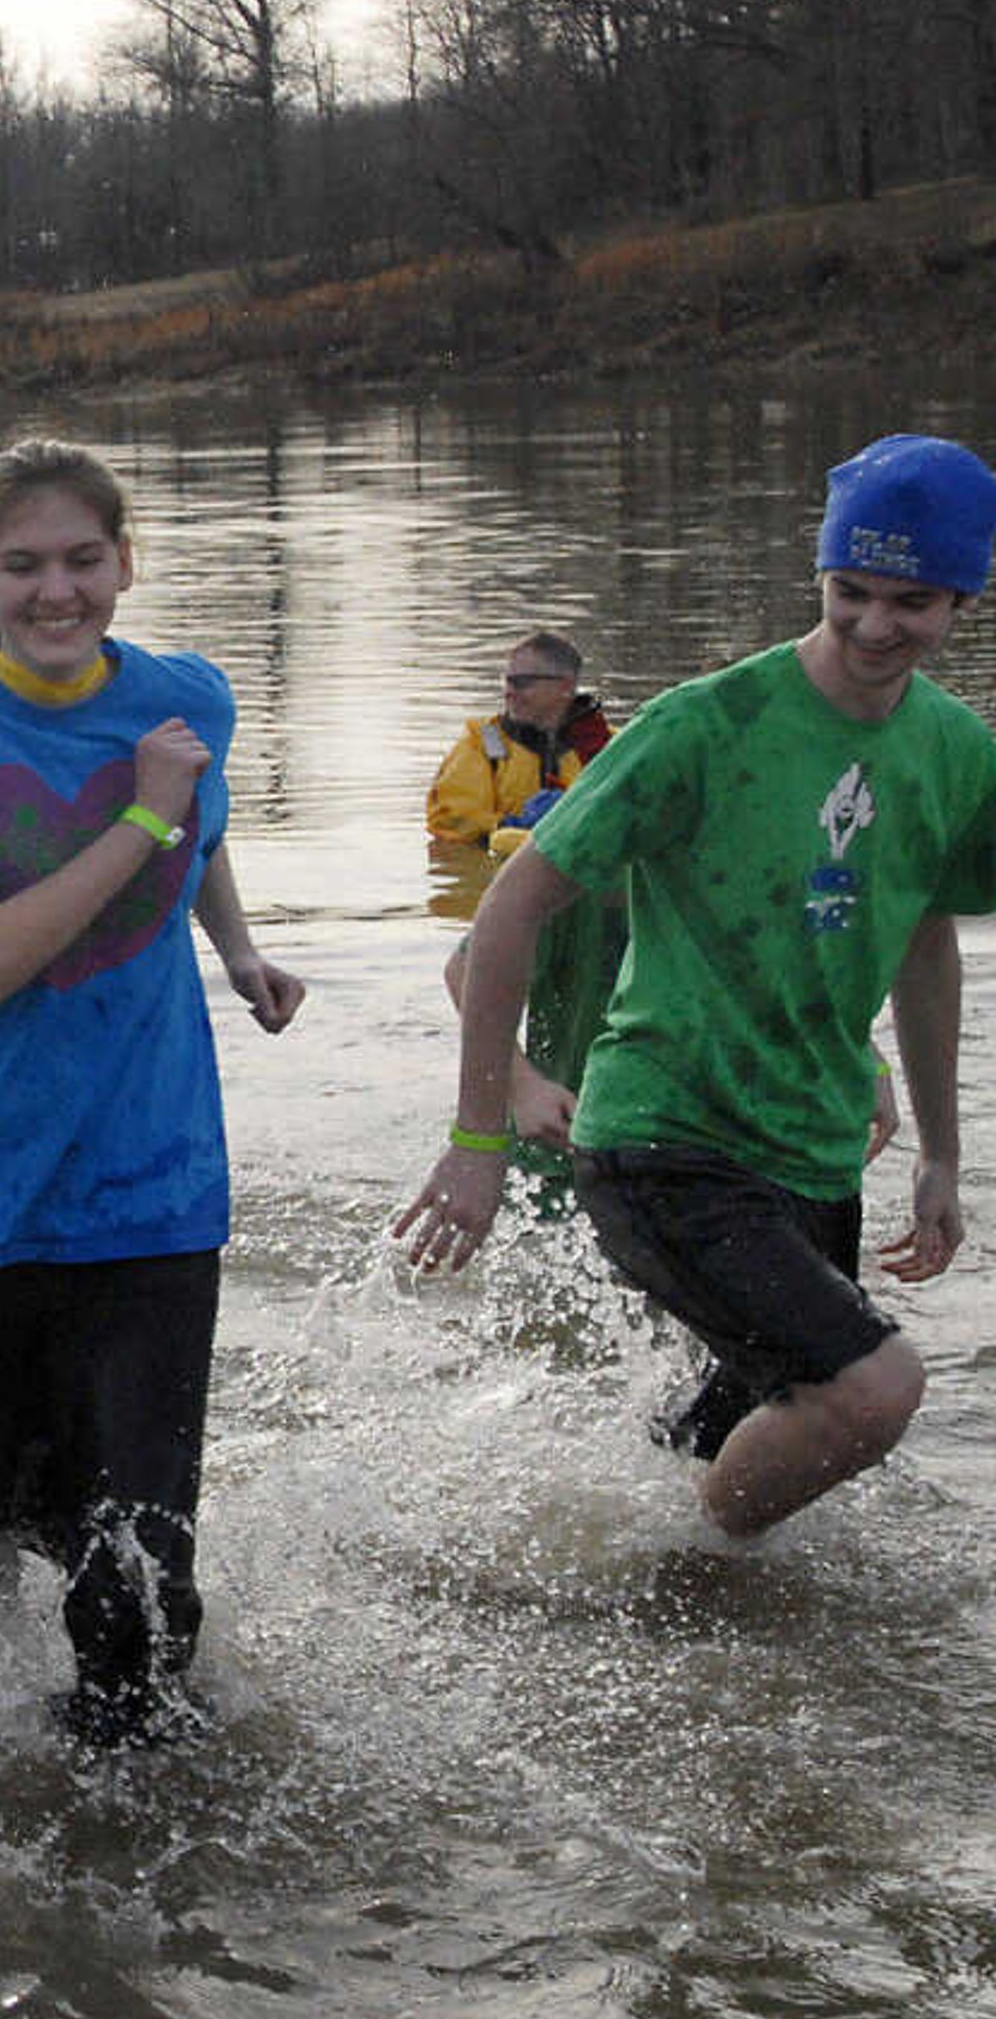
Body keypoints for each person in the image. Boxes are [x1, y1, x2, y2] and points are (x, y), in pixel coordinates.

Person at [399, 433, 996, 1538]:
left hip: (810, 1145)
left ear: (964, 594)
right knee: (873, 1389)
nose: (874, 625)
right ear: (817, 575)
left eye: (910, 601)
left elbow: (923, 940)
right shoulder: (704, 723)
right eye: (848, 591)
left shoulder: (958, 752)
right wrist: (482, 1131)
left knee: (731, 1435)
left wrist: (944, 1159)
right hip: (662, 1136)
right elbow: (507, 910)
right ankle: (688, 1578)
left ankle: (598, 1566)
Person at [0, 439, 307, 1747]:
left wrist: (237, 946)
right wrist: (137, 823)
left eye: (85, 559)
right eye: (23, 565)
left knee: (137, 1599)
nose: (56, 590)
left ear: (127, 564)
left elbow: (203, 828)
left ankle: (133, 1889)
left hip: (148, 1196)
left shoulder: (185, 698)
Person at [427, 629, 613, 844]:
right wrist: (507, 826)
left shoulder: (607, 746)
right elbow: (449, 819)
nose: (509, 692)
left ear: (565, 686)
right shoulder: (485, 741)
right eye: (506, 681)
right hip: (497, 870)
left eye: (522, 682)